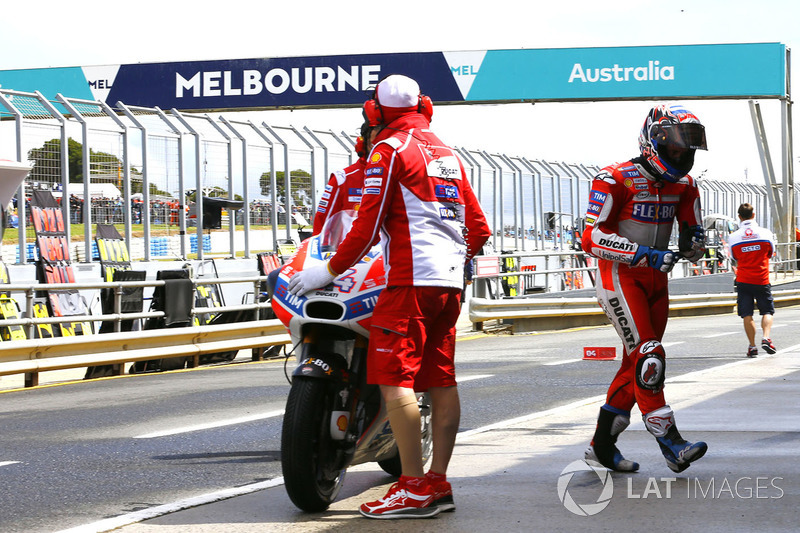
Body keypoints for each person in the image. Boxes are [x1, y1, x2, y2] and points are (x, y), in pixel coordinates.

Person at [288, 74, 490, 519]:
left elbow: (365, 225)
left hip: (411, 278)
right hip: (449, 281)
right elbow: (479, 227)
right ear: (424, 105)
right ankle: (436, 481)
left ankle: (413, 487)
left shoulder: (388, 149)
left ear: (375, 114)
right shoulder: (446, 154)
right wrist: (453, 261)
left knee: (393, 375)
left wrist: (327, 269)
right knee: (439, 379)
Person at [580, 104, 709, 474]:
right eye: (675, 146)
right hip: (620, 277)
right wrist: (643, 254)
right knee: (650, 355)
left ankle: (601, 447)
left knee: (633, 365)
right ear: (654, 140)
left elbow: (693, 246)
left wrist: (693, 242)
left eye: (687, 148)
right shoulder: (613, 178)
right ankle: (670, 441)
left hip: (657, 281)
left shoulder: (686, 186)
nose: (682, 153)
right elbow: (590, 236)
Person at [311, 119, 378, 235]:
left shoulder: (403, 178)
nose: (382, 147)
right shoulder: (342, 179)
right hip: (353, 251)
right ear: (363, 143)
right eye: (375, 143)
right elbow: (321, 226)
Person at [728, 203, 777, 357]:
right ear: (753, 215)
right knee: (767, 311)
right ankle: (766, 338)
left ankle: (752, 346)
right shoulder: (765, 233)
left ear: (739, 217)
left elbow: (734, 257)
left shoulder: (733, 237)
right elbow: (771, 253)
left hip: (743, 280)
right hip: (762, 279)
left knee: (747, 314)